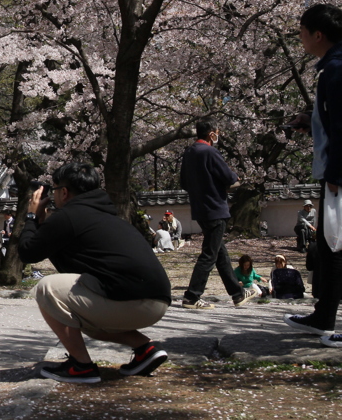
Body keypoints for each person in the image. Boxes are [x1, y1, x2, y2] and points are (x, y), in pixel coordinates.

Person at [19, 163, 172, 384]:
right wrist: (42, 223)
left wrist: (32, 216)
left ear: (64, 192)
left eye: (54, 190)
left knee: (47, 288)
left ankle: (81, 367)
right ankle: (145, 349)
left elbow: (27, 253)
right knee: (80, 315)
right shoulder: (108, 216)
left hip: (128, 302)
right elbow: (59, 257)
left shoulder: (69, 216)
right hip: (156, 303)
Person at [283, 4, 342, 348]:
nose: (300, 38)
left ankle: (325, 317)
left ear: (318, 34)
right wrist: (311, 120)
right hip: (334, 170)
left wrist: (335, 172)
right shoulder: (332, 67)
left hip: (338, 173)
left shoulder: (336, 69)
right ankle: (323, 316)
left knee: (336, 246)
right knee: (330, 247)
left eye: (303, 31)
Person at [179, 120, 251, 309]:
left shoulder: (189, 152)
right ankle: (192, 296)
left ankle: (237, 294)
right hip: (215, 208)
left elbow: (184, 182)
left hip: (200, 208)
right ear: (211, 134)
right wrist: (234, 179)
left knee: (219, 253)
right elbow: (229, 177)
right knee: (210, 254)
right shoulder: (210, 152)